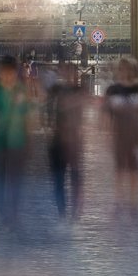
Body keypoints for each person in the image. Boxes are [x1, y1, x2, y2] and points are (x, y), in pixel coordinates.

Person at [0, 55, 31, 227]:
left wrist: (28, 140)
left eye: (10, 72)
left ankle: (14, 212)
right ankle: (2, 212)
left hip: (17, 143)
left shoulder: (21, 91)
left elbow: (27, 116)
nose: (7, 76)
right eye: (4, 72)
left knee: (15, 180)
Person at [103, 57, 138, 220]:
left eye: (127, 68)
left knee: (134, 171)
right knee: (119, 170)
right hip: (119, 135)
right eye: (121, 69)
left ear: (132, 70)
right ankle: (118, 202)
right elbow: (107, 114)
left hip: (134, 135)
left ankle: (133, 204)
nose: (124, 72)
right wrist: (107, 133)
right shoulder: (112, 90)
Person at [45, 71, 85, 218]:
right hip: (61, 143)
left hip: (70, 143)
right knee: (61, 179)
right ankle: (63, 211)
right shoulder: (58, 97)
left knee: (70, 178)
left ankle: (70, 211)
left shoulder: (73, 97)